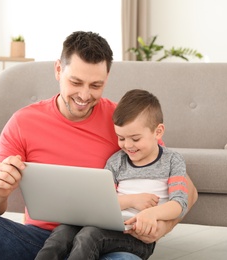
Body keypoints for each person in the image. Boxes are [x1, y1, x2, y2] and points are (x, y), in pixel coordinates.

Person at [0, 31, 198, 260]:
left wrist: (161, 227)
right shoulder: (25, 121)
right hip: (40, 243)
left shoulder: (123, 123)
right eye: (75, 82)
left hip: (105, 243)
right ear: (58, 70)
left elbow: (189, 191)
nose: (84, 95)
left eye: (96, 85)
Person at [35, 89, 188, 260]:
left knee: (89, 236)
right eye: (121, 138)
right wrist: (131, 200)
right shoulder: (116, 162)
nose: (128, 145)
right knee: (62, 233)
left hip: (136, 237)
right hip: (107, 225)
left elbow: (180, 204)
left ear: (158, 132)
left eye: (135, 139)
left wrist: (152, 214)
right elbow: (102, 202)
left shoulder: (172, 161)